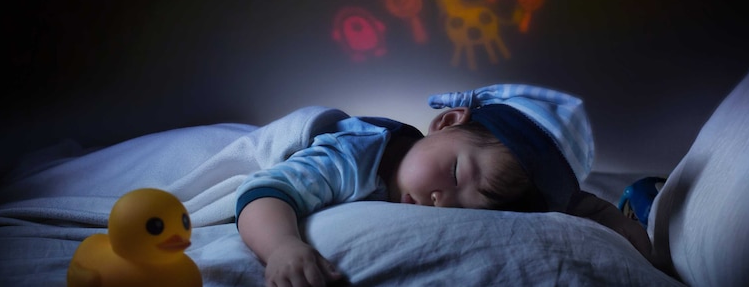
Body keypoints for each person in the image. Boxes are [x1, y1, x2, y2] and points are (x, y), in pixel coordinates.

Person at [235, 84, 652, 286]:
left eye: (467, 206)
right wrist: (283, 247)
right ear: (448, 121)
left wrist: (619, 221)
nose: (440, 202)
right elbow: (265, 193)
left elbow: (577, 204)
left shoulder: (477, 180)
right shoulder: (353, 155)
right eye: (454, 174)